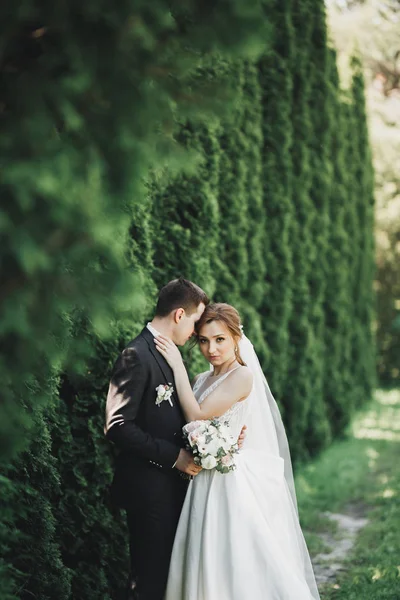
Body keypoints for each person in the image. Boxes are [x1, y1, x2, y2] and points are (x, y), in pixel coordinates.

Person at [155, 302, 321, 600]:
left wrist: (177, 365)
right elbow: (188, 425)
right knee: (202, 552)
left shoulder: (242, 376)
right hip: (200, 478)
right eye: (204, 340)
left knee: (233, 554)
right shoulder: (201, 379)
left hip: (227, 481)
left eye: (220, 339)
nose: (211, 349)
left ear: (236, 338)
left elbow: (197, 414)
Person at [104, 280, 246, 600]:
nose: (197, 334)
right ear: (180, 315)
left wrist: (222, 436)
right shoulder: (136, 355)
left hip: (174, 489)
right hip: (147, 488)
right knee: (150, 580)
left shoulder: (166, 355)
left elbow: (181, 418)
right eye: (197, 322)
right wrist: (174, 457)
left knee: (170, 579)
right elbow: (117, 425)